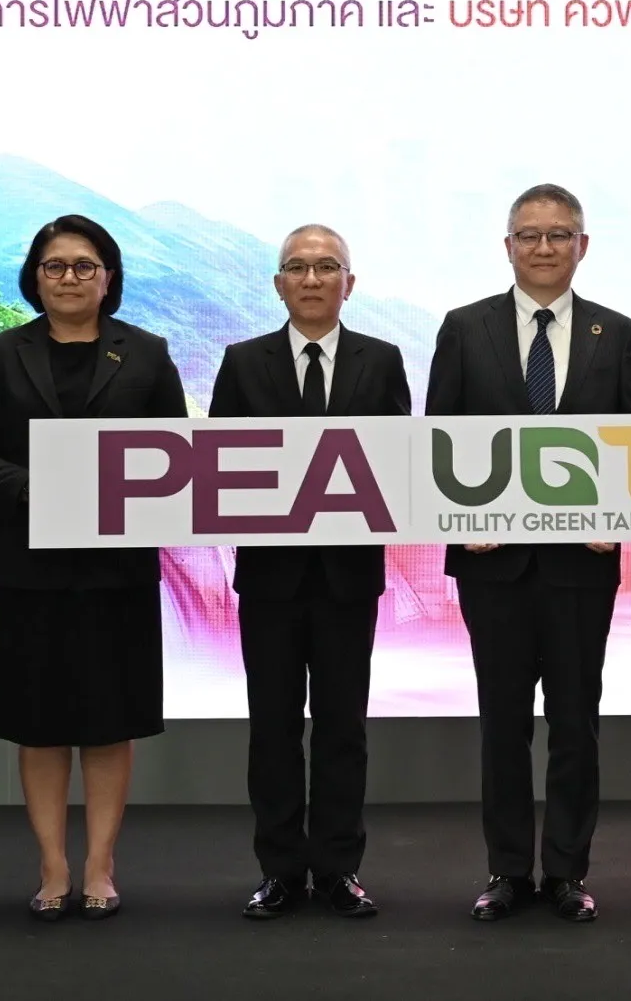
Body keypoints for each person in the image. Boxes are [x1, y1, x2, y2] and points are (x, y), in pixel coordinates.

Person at [425, 183, 631, 924]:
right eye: (530, 235)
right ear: (508, 246)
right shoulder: (465, 328)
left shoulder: (618, 333)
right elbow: (438, 437)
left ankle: (566, 872)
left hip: (581, 563)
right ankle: (506, 871)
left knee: (576, 724)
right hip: (493, 563)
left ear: (583, 245)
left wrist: (619, 519)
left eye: (559, 234)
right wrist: (460, 520)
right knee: (502, 724)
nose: (544, 247)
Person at [0, 214, 188, 922]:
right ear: (35, 277)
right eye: (54, 266)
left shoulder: (146, 354)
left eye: (84, 266)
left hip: (118, 568)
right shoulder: (0, 355)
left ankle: (100, 865)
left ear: (108, 277)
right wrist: (37, 488)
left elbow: (177, 453)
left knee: (109, 721)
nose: (69, 278)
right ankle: (54, 865)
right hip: (29, 564)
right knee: (40, 723)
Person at [209, 224, 413, 921]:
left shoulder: (381, 360)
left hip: (348, 578)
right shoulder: (243, 362)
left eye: (327, 267)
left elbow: (398, 464)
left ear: (349, 284)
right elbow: (218, 470)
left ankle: (338, 869)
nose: (312, 278)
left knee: (342, 729)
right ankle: (278, 871)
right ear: (278, 284)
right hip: (269, 578)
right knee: (271, 729)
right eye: (297, 267)